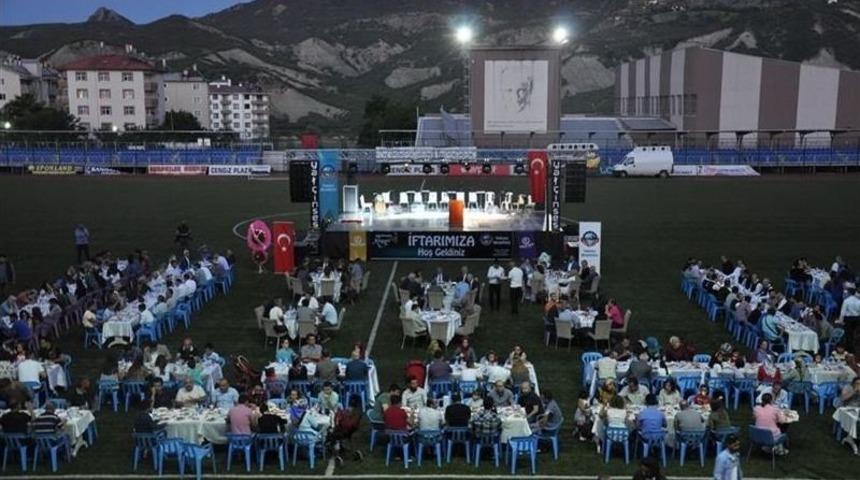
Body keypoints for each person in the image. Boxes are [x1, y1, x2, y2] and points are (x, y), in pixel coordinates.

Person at [839, 285, 860, 353]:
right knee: (853, 334)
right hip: (856, 319)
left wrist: (840, 321)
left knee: (848, 334)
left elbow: (842, 312)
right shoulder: (858, 301)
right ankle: (852, 348)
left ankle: (848, 348)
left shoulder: (846, 301)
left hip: (848, 319)